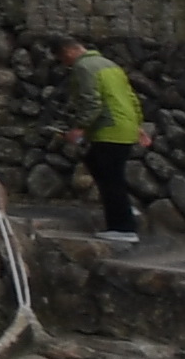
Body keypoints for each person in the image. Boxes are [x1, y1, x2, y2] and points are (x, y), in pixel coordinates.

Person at [56, 36, 145, 238]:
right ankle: (124, 210)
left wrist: (80, 127)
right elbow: (130, 96)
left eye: (63, 59)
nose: (65, 64)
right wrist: (138, 124)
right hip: (125, 125)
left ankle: (123, 227)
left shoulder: (84, 67)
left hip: (109, 129)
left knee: (110, 177)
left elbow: (91, 101)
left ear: (68, 52)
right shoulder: (110, 65)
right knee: (98, 164)